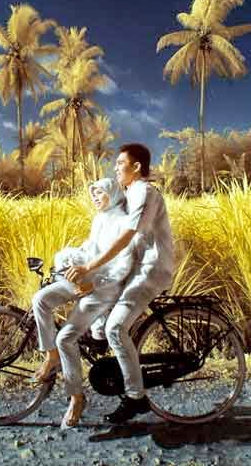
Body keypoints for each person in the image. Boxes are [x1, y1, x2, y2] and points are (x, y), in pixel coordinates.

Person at [67, 143, 175, 424]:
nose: (115, 169)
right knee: (102, 313)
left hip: (150, 271)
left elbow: (127, 236)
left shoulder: (143, 191)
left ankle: (135, 397)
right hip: (135, 270)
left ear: (136, 167)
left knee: (116, 327)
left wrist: (90, 266)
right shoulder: (128, 194)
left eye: (120, 163)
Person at [30, 178, 139, 428]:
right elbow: (91, 250)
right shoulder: (100, 219)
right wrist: (68, 261)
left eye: (99, 192)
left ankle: (76, 398)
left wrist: (95, 282)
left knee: (66, 337)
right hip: (85, 278)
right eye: (93, 193)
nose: (95, 197)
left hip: (103, 289)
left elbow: (123, 267)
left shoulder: (124, 222)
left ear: (112, 194)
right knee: (41, 299)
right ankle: (52, 356)